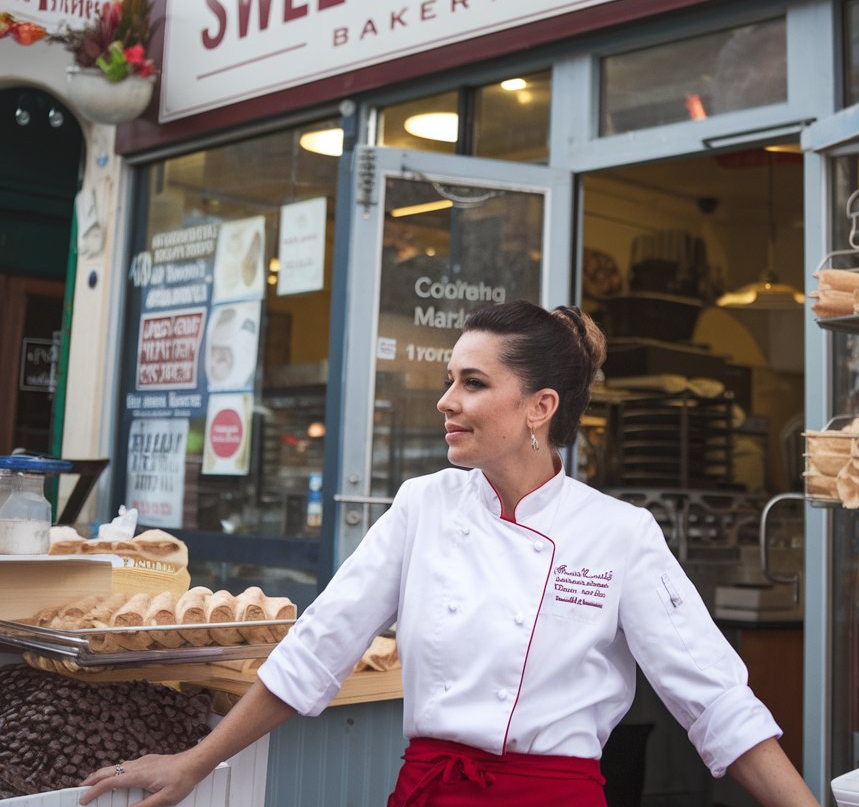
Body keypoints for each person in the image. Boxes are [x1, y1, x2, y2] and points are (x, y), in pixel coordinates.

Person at [81, 300, 819, 807]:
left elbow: (717, 703)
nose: (446, 400)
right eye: (447, 381)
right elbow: (317, 650)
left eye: (472, 383)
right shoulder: (424, 505)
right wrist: (196, 761)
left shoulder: (618, 534)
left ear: (541, 407)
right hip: (430, 792)